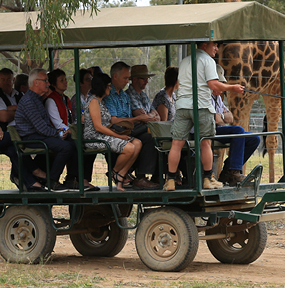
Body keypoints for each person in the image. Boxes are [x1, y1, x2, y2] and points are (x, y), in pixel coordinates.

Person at [164, 41, 245, 191]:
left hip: (182, 106)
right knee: (205, 143)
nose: (216, 49)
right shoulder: (208, 61)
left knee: (176, 144)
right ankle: (208, 179)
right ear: (204, 45)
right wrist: (232, 87)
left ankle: (170, 180)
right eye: (214, 45)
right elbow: (214, 85)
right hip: (201, 106)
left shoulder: (185, 61)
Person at [84, 72, 157, 190]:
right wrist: (119, 136)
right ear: (102, 86)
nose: (110, 88)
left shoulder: (100, 101)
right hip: (95, 137)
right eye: (108, 85)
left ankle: (120, 174)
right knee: (129, 148)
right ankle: (115, 172)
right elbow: (98, 127)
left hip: (104, 134)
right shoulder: (93, 101)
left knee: (137, 144)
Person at [14, 68, 78, 191]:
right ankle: (52, 180)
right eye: (45, 81)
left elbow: (44, 126)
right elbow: (41, 128)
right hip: (31, 137)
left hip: (39, 135)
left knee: (73, 140)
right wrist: (58, 134)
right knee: (66, 147)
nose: (48, 84)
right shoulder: (29, 101)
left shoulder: (37, 99)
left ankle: (72, 178)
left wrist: (60, 134)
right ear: (36, 82)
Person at [104, 62, 161, 184]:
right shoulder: (109, 95)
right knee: (148, 132)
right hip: (115, 129)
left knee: (149, 136)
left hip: (129, 127)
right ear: (115, 77)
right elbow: (113, 120)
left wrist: (141, 118)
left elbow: (148, 113)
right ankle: (134, 175)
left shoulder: (124, 95)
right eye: (125, 78)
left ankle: (142, 176)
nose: (127, 81)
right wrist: (138, 119)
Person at [212, 68, 260, 186]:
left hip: (217, 129)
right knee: (238, 130)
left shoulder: (218, 98)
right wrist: (221, 118)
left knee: (255, 138)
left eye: (223, 83)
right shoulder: (204, 96)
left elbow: (230, 118)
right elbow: (217, 119)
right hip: (208, 130)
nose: (222, 86)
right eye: (220, 84)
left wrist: (221, 116)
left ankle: (227, 171)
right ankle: (234, 172)